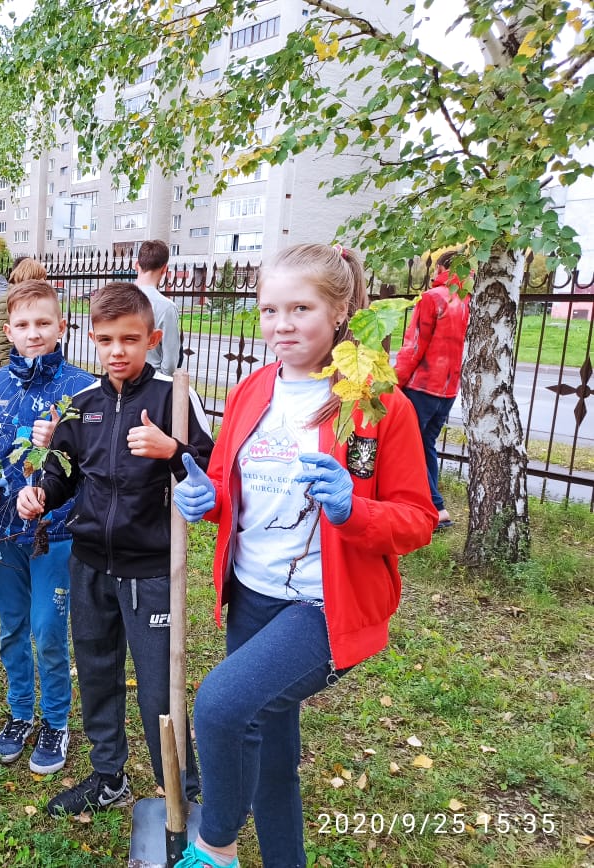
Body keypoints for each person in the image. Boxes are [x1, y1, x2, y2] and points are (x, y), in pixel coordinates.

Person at [170, 243, 437, 868]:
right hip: (252, 595)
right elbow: (227, 487)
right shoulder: (252, 390)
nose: (281, 325)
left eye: (300, 308)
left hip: (322, 606)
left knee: (220, 707)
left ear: (341, 310)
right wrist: (206, 497)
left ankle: (215, 845)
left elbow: (419, 519)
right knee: (272, 754)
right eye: (269, 309)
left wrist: (354, 510)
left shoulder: (372, 404)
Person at [17, 282, 214, 815]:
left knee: (159, 689)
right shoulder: (82, 404)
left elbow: (208, 468)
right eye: (106, 340)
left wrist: (172, 450)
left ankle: (185, 793)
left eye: (130, 339)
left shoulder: (173, 396)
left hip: (151, 571)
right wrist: (39, 493)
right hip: (90, 567)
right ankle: (109, 777)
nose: (118, 351)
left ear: (152, 338)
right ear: (91, 340)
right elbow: (62, 471)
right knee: (98, 672)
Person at [0, 279, 95, 774]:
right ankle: (20, 714)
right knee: (13, 627)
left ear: (61, 326)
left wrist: (65, 438)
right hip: (1, 533)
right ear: (8, 330)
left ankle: (55, 721)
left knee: (48, 629)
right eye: (23, 325)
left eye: (43, 323)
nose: (33, 334)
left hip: (57, 534)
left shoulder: (81, 389)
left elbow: (97, 466)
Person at [394, 249, 470, 531]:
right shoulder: (465, 300)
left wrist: (395, 383)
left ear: (439, 268)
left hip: (422, 387)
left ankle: (435, 509)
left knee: (410, 447)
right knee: (426, 446)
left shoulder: (432, 299)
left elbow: (415, 345)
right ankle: (436, 509)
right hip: (448, 390)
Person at [0, 257, 49, 375]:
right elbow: (2, 345)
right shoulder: (8, 302)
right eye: (42, 279)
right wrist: (14, 376)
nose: (45, 284)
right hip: (2, 371)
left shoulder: (24, 301)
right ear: (31, 278)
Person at [134, 239, 181, 376]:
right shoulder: (166, 307)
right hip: (153, 380)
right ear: (164, 269)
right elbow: (170, 362)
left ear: (137, 265)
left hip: (121, 380)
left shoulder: (118, 298)